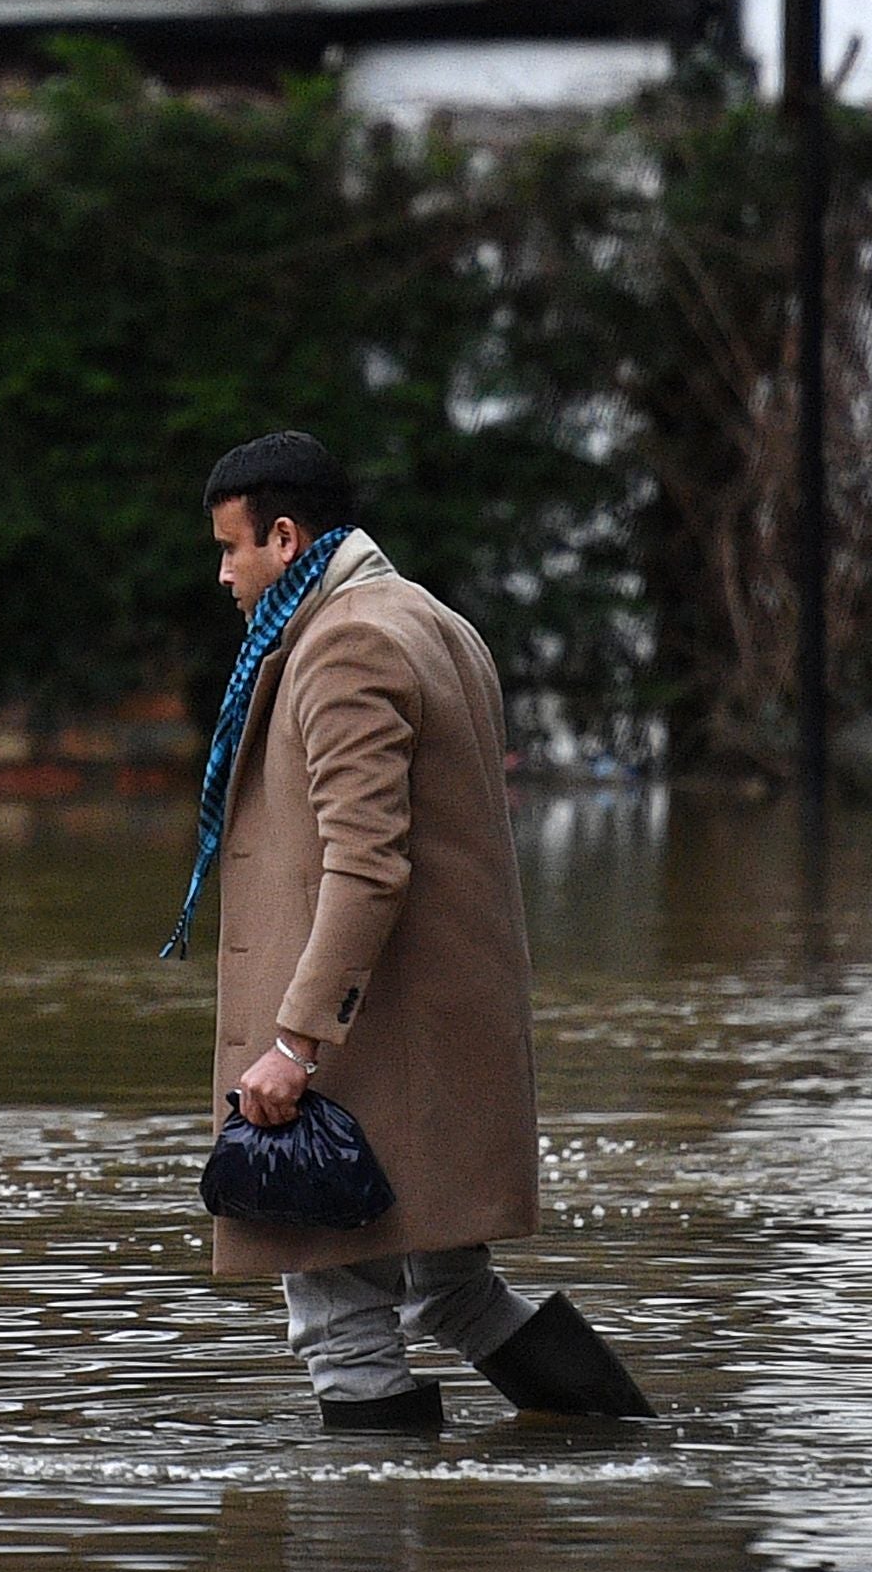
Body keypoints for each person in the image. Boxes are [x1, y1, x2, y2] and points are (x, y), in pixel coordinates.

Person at [163, 432, 653, 1432]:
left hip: (367, 1051)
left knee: (336, 1317)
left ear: (286, 536)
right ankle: (627, 1455)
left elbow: (366, 865)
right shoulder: (431, 619)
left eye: (231, 548)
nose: (221, 574)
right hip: (436, 1046)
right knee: (454, 1291)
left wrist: (294, 1044)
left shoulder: (343, 643)